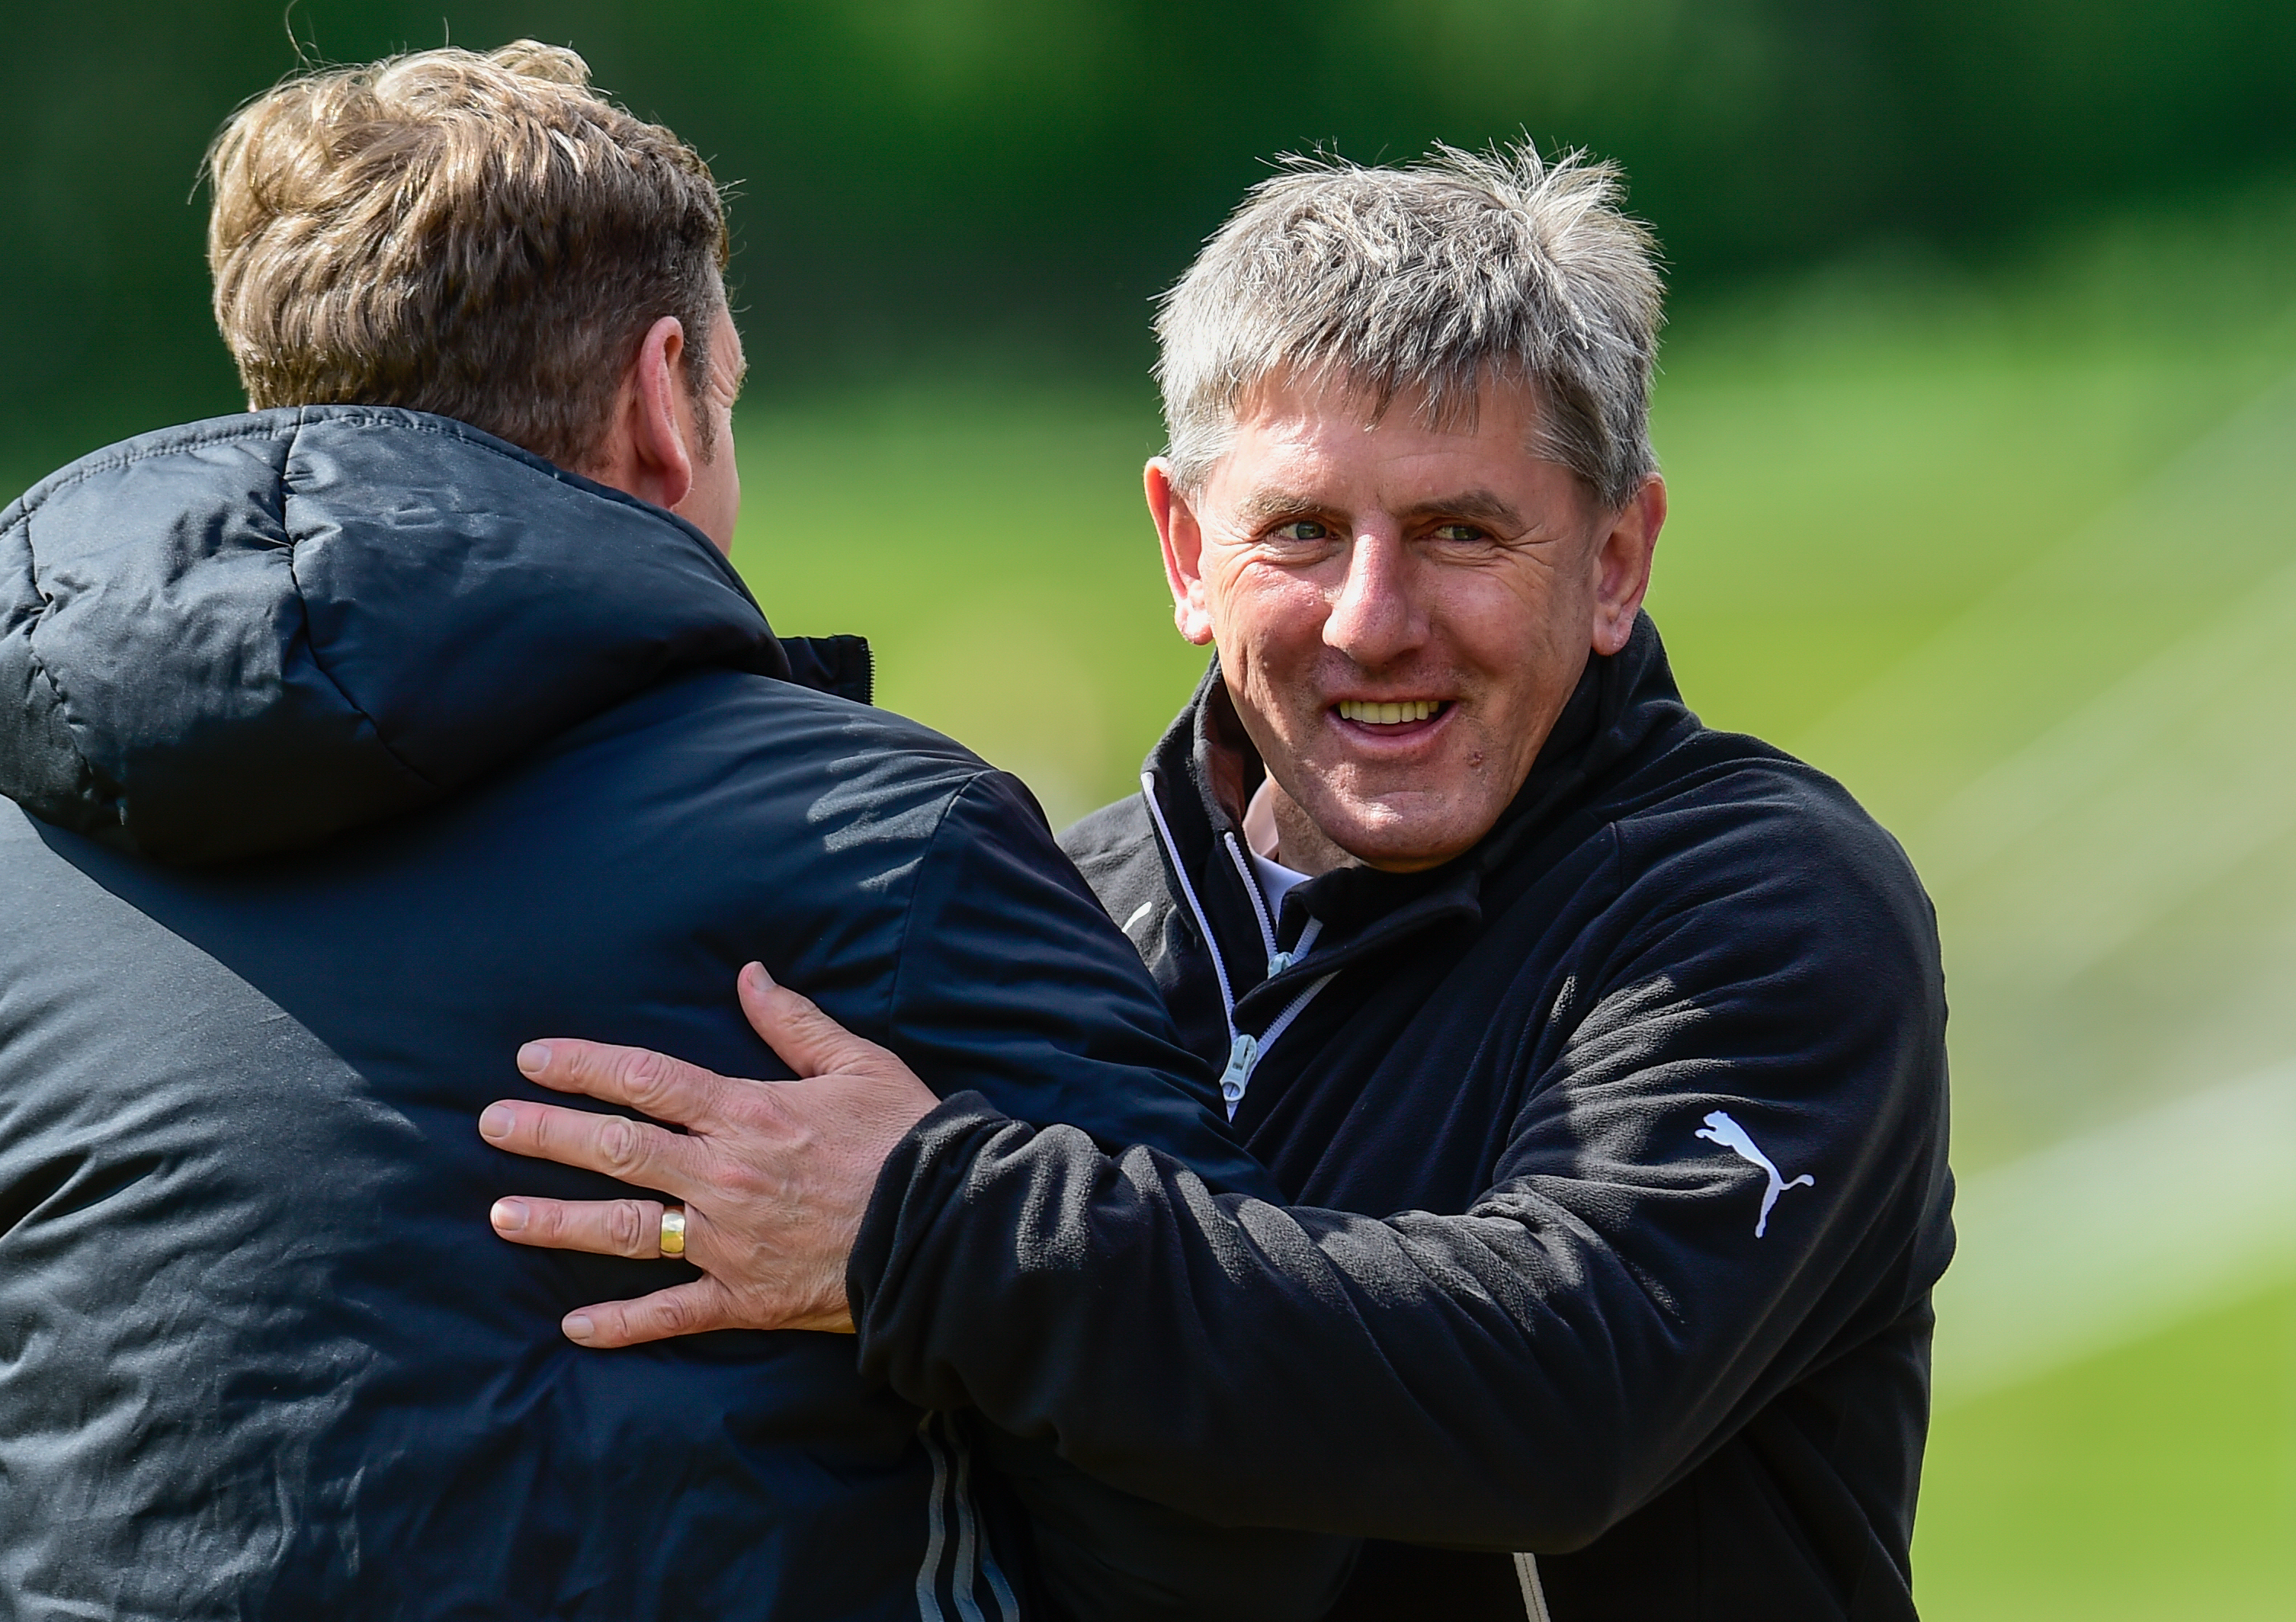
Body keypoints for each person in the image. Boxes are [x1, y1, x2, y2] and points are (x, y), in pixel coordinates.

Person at [0, 41, 1348, 1622]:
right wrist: (940, 1231)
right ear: (664, 400)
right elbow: (1240, 1508)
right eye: (730, 393)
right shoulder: (874, 838)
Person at [479, 147, 1956, 1620]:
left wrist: (920, 1229)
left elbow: (1562, 1391)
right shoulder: (1050, 904)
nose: (1371, 621)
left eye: (1459, 532)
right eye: (1301, 531)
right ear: (1184, 550)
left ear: (1615, 557)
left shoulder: (1758, 902)